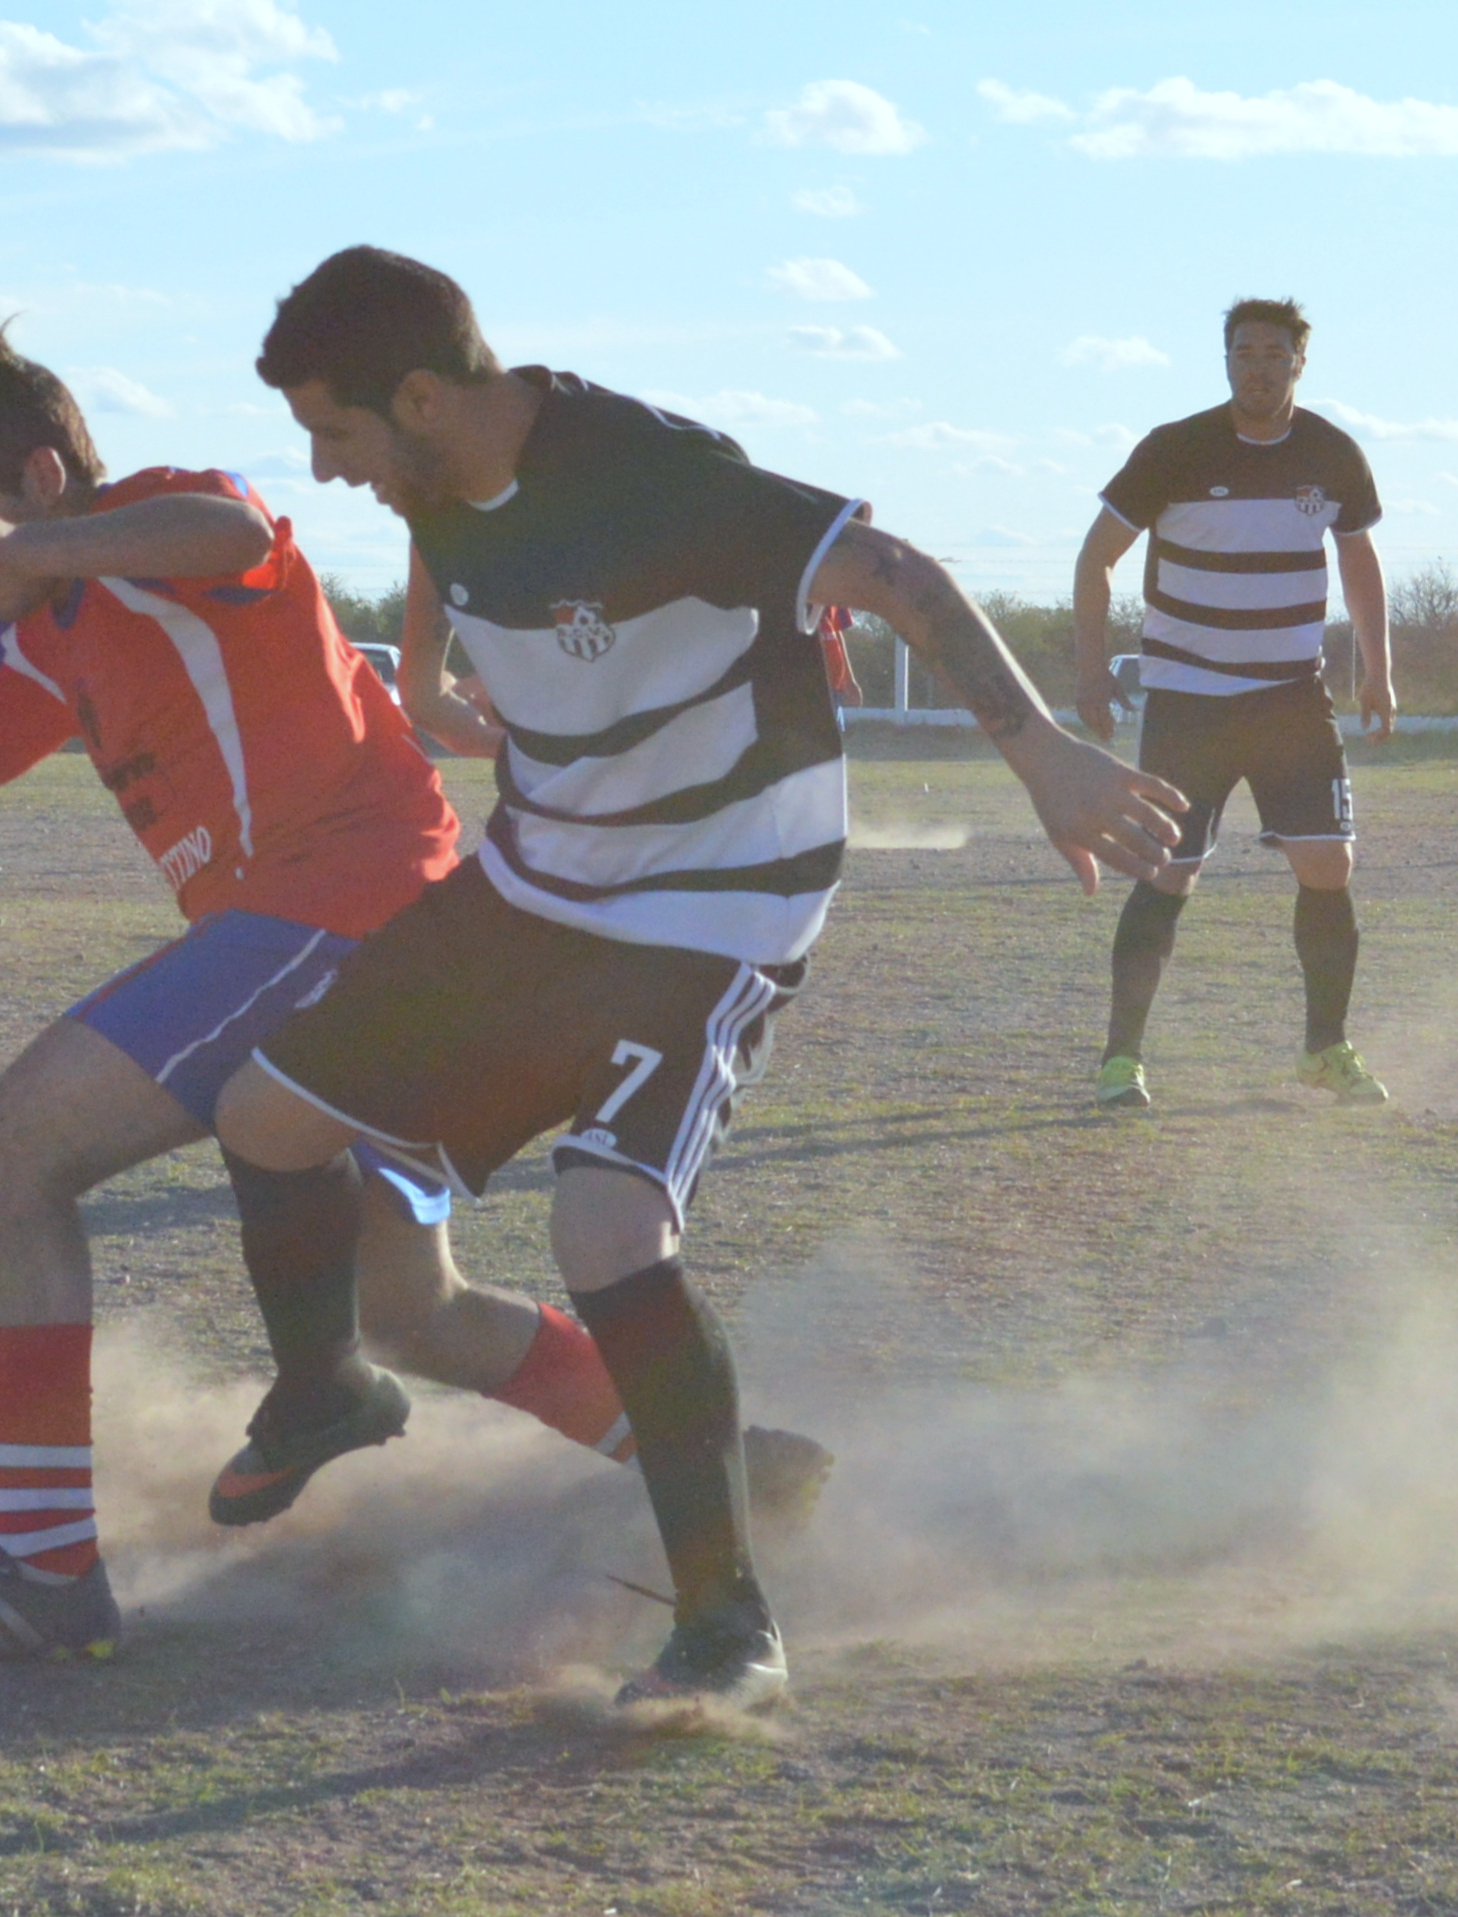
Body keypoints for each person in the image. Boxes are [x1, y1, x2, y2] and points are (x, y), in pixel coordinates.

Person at [0, 327, 829, 1664]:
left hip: (339, 909)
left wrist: (24, 539)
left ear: (41, 478)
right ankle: (717, 1459)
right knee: (412, 1311)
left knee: (5, 1154)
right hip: (375, 934)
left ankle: (45, 1571)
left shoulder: (155, 526)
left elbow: (225, 535)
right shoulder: (47, 629)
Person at [205, 247, 1185, 1709]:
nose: (323, 468)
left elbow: (897, 572)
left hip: (714, 904)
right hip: (540, 877)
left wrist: (1038, 747)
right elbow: (452, 545)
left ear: (422, 395)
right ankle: (327, 1388)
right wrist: (422, 685)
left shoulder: (652, 474)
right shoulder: (438, 480)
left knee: (606, 1229)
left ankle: (729, 1623)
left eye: (334, 433)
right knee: (265, 1120)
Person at [1073, 297, 1394, 1111]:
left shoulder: (1330, 452)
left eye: (1273, 353)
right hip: (1188, 700)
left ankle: (1324, 1050)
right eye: (1243, 352)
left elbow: (1357, 561)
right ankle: (1121, 1060)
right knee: (1167, 874)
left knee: (1328, 865)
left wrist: (1375, 669)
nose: (1258, 366)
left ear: (1298, 363)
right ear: (1225, 362)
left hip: (1291, 699)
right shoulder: (1173, 451)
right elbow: (1095, 558)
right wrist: (1086, 669)